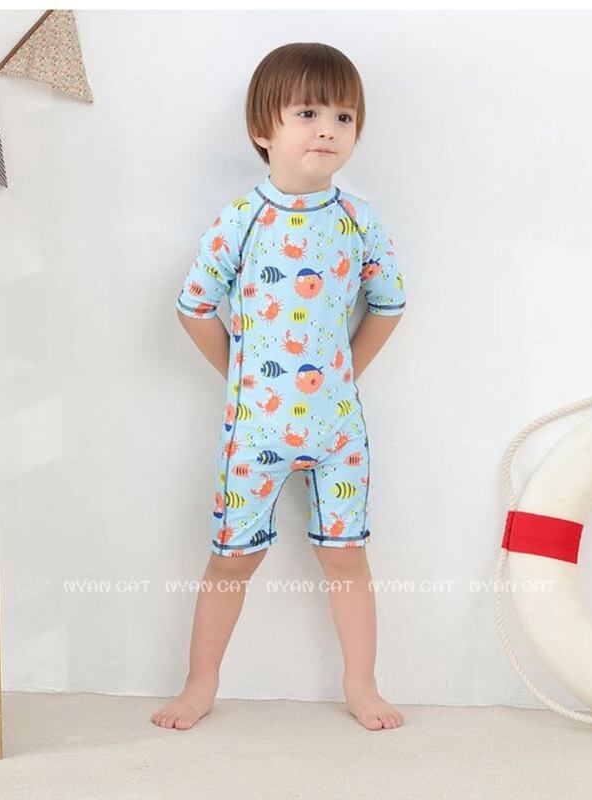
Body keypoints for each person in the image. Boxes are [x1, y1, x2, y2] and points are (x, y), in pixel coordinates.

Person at [152, 42, 407, 731]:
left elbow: (389, 305)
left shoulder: (358, 221)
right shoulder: (242, 219)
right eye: (308, 113)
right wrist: (240, 376)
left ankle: (362, 684)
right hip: (255, 430)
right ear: (263, 128)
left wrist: (344, 376)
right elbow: (193, 307)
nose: (328, 129)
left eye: (344, 117)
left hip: (338, 431)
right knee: (231, 561)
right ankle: (199, 684)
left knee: (347, 557)